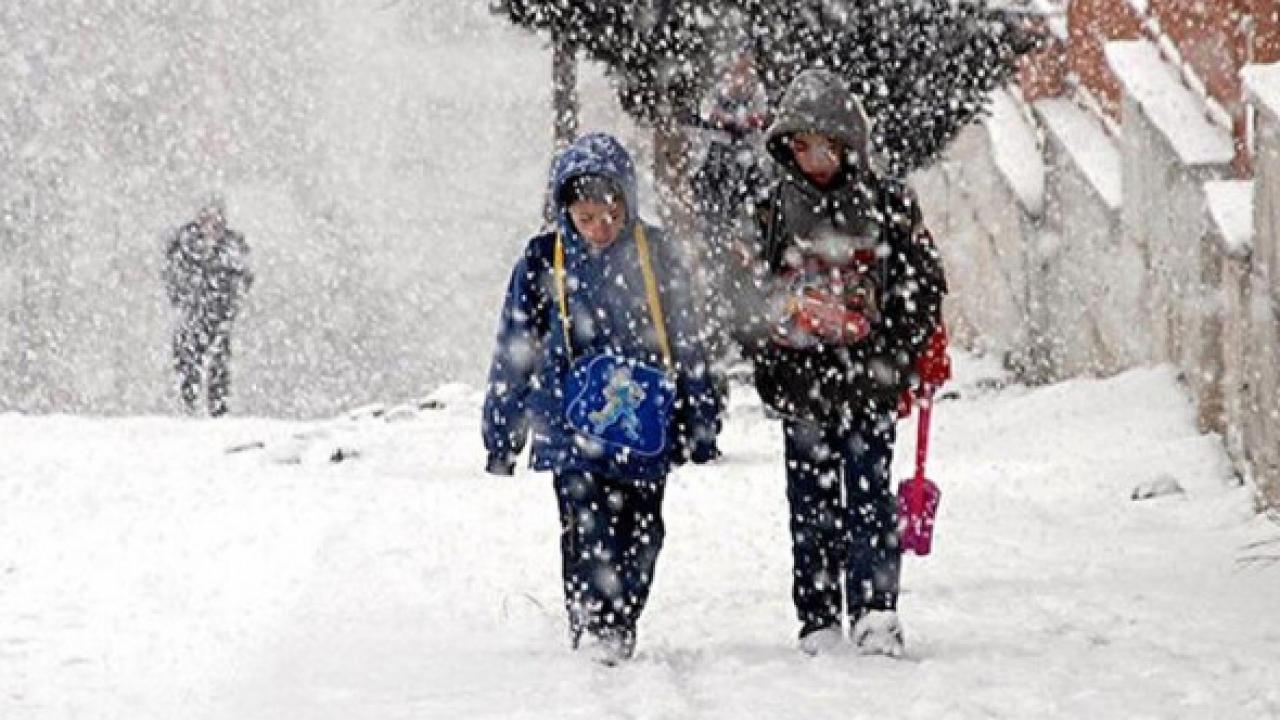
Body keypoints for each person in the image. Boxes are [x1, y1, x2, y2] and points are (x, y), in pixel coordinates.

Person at [733, 69, 950, 656]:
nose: (815, 160)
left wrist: (895, 350)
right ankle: (819, 616)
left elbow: (922, 283)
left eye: (826, 146)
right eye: (802, 147)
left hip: (870, 380)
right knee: (811, 504)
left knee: (870, 497)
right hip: (801, 383)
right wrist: (775, 336)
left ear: (850, 143)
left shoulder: (888, 204)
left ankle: (877, 610)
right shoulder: (770, 210)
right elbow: (741, 293)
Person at [482, 132, 720, 665]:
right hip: (569, 425)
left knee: (642, 530)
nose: (599, 228)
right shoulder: (543, 260)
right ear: (566, 210)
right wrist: (502, 431)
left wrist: (700, 418)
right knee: (584, 526)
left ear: (628, 204)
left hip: (643, 425)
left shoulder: (656, 255)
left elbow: (687, 339)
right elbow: (515, 348)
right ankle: (593, 621)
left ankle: (622, 616)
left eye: (611, 215)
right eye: (586, 217)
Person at [163, 195, 254, 417]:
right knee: (187, 360)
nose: (212, 225)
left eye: (217, 219)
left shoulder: (232, 247)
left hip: (220, 315)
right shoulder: (184, 244)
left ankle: (218, 410)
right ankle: (188, 407)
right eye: (207, 218)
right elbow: (173, 276)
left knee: (219, 363)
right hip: (192, 314)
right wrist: (186, 297)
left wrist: (231, 302)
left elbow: (244, 276)